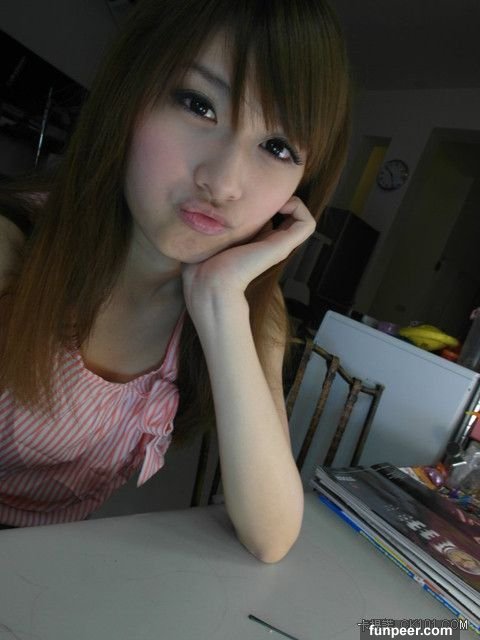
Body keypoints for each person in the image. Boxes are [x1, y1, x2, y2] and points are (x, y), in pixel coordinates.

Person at [0, 0, 350, 561]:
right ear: (131, 97)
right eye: (199, 105)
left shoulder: (248, 310)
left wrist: (218, 301)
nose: (224, 183)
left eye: (277, 147)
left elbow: (271, 534)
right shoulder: (14, 249)